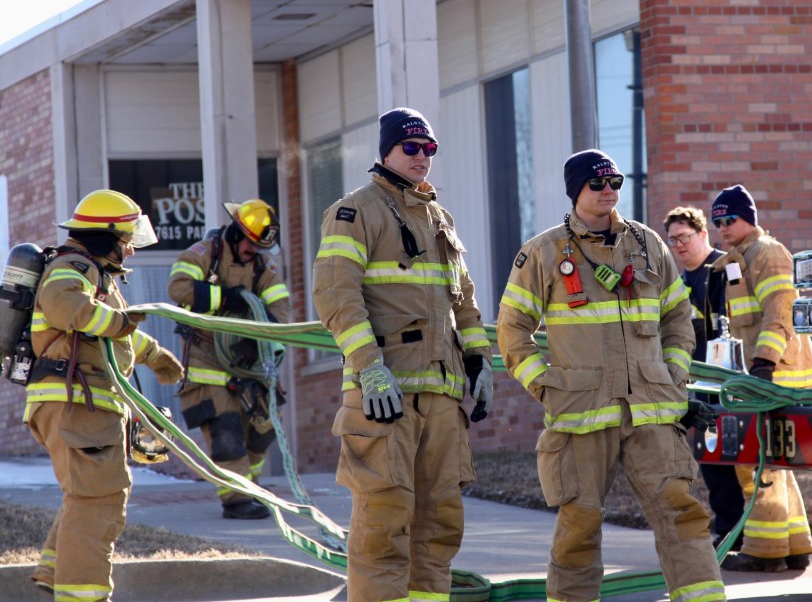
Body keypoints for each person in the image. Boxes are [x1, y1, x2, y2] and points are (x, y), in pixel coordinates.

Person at [497, 149, 725, 602]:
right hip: (580, 413)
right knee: (579, 525)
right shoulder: (544, 252)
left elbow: (678, 319)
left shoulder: (648, 245)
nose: (609, 191)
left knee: (681, 513)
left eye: (615, 182)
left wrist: (673, 378)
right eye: (597, 183)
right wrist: (546, 387)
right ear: (575, 190)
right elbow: (511, 330)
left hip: (651, 411)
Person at [312, 107, 492, 602]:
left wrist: (479, 361)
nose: (422, 157)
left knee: (439, 526)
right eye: (411, 147)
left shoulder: (439, 219)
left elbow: (464, 301)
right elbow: (336, 296)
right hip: (384, 397)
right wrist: (370, 370)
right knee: (383, 522)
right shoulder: (355, 212)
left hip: (442, 398)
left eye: (429, 148)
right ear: (386, 152)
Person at [25, 189, 185, 600]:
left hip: (79, 402)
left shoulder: (93, 273)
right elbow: (66, 307)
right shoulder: (73, 267)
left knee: (88, 495)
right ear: (105, 235)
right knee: (98, 501)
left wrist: (153, 354)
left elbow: (111, 336)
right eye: (126, 240)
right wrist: (122, 323)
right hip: (76, 402)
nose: (130, 250)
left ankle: (54, 571)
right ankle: (81, 595)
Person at [708, 185, 812, 573]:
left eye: (730, 219)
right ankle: (795, 545)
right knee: (773, 462)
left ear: (749, 219)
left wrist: (764, 362)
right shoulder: (739, 258)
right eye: (717, 221)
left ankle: (765, 551)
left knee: (756, 462)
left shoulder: (767, 253)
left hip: (775, 374)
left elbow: (780, 309)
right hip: (759, 374)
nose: (722, 227)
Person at [168, 198, 290, 520]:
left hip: (248, 363)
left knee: (264, 427)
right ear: (235, 233)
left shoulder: (263, 266)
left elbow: (280, 310)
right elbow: (178, 288)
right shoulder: (202, 254)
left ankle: (251, 488)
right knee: (226, 430)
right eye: (250, 244)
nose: (253, 252)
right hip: (207, 361)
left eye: (260, 247)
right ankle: (236, 500)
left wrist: (256, 340)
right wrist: (225, 298)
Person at [663, 206, 746, 549]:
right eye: (672, 241)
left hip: (733, 381)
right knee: (711, 459)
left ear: (702, 234)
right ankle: (729, 531)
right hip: (699, 384)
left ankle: (751, 531)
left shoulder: (726, 269)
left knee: (742, 460)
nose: (679, 246)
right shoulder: (679, 285)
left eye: (684, 237)